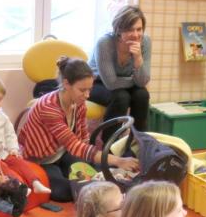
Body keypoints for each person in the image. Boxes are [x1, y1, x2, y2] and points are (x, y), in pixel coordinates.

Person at [18, 56, 139, 202]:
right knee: (65, 192)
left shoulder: (79, 102)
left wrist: (94, 164)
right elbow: (74, 145)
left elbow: (83, 137)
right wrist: (118, 161)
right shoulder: (48, 107)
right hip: (41, 159)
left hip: (62, 152)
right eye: (82, 90)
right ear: (66, 84)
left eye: (89, 89)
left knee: (96, 174)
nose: (87, 95)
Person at [0, 74, 51, 196]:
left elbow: (10, 134)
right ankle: (21, 187)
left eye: (0, 101)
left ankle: (36, 183)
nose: (0, 104)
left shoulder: (1, 115)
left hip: (5, 152)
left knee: (19, 162)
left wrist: (13, 149)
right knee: (5, 168)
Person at [88, 5, 151, 143]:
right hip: (97, 83)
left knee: (142, 94)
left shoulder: (145, 42)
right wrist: (135, 79)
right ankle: (109, 145)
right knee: (121, 96)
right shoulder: (104, 43)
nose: (135, 34)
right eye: (129, 29)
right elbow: (111, 83)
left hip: (124, 81)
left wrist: (138, 59)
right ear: (118, 29)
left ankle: (138, 144)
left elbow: (143, 81)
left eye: (139, 29)